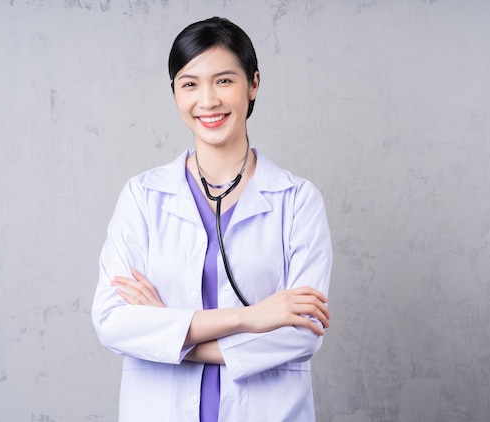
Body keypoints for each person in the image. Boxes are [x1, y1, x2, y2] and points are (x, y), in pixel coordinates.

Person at [92, 16, 333, 422]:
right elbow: (113, 322)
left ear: (253, 84)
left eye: (224, 81)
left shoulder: (297, 200)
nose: (207, 100)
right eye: (189, 84)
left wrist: (171, 334)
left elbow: (301, 332)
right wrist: (251, 317)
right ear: (174, 93)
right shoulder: (143, 196)